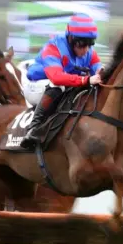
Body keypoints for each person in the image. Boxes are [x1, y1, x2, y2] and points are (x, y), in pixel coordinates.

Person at [20, 13, 103, 149]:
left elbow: (98, 68)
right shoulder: (53, 47)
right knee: (58, 86)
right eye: (82, 44)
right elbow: (57, 78)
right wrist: (86, 79)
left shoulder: (89, 51)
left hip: (62, 84)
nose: (86, 50)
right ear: (71, 38)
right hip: (36, 85)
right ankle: (33, 129)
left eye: (90, 44)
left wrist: (101, 72)